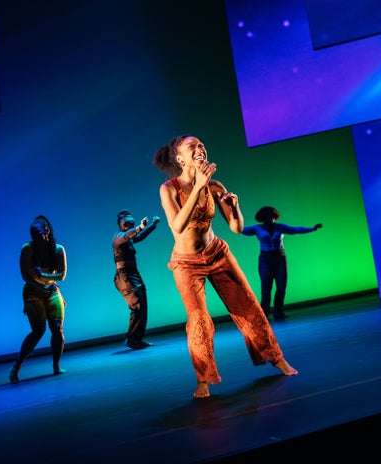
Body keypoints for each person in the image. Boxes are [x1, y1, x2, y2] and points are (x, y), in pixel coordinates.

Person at [153, 135, 298, 399]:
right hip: (187, 263)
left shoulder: (215, 186)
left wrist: (235, 207)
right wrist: (197, 187)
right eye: (192, 147)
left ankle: (277, 359)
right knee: (199, 320)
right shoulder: (169, 189)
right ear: (179, 158)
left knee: (248, 306)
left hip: (217, 253)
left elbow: (237, 228)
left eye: (201, 145)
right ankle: (203, 379)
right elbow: (177, 226)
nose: (200, 149)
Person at [9, 215, 68, 383]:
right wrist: (43, 285)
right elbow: (26, 276)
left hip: (52, 291)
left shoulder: (58, 249)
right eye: (37, 233)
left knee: (57, 327)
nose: (41, 236)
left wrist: (45, 276)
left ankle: (56, 365)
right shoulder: (27, 249)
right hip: (33, 292)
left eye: (42, 232)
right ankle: (17, 366)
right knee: (38, 330)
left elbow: (62, 275)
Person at [242, 206, 322, 320]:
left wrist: (312, 229)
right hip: (265, 259)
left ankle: (278, 311)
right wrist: (231, 219)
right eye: (269, 217)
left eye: (273, 216)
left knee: (281, 286)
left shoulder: (280, 227)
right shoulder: (257, 228)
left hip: (280, 258)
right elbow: (241, 230)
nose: (272, 219)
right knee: (266, 287)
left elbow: (296, 230)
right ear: (263, 218)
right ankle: (264, 313)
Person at [112, 209, 160, 350]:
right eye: (126, 223)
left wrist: (153, 225)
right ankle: (131, 339)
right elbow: (129, 235)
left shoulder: (128, 238)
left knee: (143, 306)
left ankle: (136, 339)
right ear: (120, 225)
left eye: (131, 223)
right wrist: (139, 227)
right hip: (124, 276)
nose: (129, 226)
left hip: (133, 274)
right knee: (137, 306)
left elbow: (138, 237)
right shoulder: (118, 237)